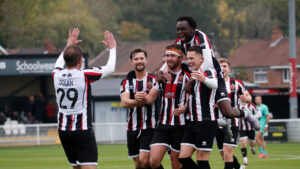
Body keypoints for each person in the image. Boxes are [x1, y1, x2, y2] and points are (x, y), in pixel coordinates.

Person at [53, 28, 116, 169]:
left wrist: (68, 46)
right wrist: (113, 48)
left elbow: (59, 62)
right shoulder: (84, 75)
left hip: (63, 131)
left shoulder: (55, 74)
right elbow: (110, 68)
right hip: (82, 130)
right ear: (80, 60)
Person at [142, 44, 190, 169]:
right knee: (153, 161)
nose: (169, 58)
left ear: (180, 58)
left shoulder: (187, 76)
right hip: (163, 125)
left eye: (173, 56)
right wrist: (138, 97)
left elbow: (194, 98)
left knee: (176, 163)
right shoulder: (161, 76)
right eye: (167, 56)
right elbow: (150, 98)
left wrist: (185, 108)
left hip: (181, 125)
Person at [175, 46, 218, 169]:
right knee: (183, 157)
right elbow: (194, 97)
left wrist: (203, 78)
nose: (189, 61)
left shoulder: (209, 72)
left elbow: (215, 85)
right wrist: (184, 108)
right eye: (187, 58)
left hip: (205, 122)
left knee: (202, 160)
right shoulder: (192, 75)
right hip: (192, 122)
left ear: (201, 59)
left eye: (192, 58)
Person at [120, 48, 158, 169]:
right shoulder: (126, 82)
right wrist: (136, 100)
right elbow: (125, 102)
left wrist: (142, 98)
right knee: (138, 164)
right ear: (132, 62)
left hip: (150, 126)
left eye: (142, 58)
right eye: (136, 59)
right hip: (132, 128)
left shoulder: (154, 80)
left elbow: (152, 99)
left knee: (145, 160)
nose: (139, 61)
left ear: (146, 61)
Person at [215, 58, 251, 169]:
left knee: (227, 153)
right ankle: (239, 167)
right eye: (220, 66)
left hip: (232, 122)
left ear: (229, 69)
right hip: (217, 123)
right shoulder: (212, 83)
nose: (222, 68)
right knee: (224, 155)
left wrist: (247, 98)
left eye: (225, 66)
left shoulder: (237, 83)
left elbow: (248, 97)